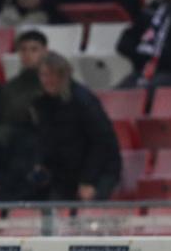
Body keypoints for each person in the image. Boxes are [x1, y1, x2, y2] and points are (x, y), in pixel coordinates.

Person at [25, 52, 121, 201]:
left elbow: (102, 143)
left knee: (87, 209)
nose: (48, 80)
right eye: (44, 75)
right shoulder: (41, 103)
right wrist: (41, 163)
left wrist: (88, 180)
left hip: (100, 169)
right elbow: (43, 139)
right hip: (65, 171)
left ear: (65, 75)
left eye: (53, 75)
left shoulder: (83, 101)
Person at [0, 29, 47, 147]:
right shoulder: (9, 87)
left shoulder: (53, 84)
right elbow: (1, 120)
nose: (28, 54)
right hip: (12, 141)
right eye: (23, 49)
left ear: (45, 51)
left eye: (34, 49)